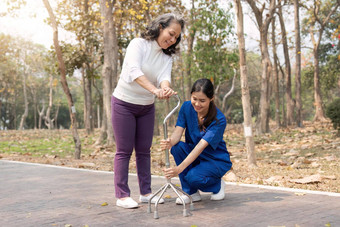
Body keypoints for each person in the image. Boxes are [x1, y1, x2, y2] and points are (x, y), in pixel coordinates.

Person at [111, 13, 185, 209]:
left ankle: (146, 193)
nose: (172, 39)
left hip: (146, 107)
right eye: (171, 33)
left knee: (144, 150)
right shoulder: (138, 44)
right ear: (160, 27)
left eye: (176, 37)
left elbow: (164, 76)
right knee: (124, 150)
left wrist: (166, 87)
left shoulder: (166, 56)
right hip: (124, 103)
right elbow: (133, 70)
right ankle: (122, 195)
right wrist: (155, 90)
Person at [161, 78, 232, 204]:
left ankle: (217, 184)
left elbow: (200, 147)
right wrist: (170, 142)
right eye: (194, 99)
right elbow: (178, 131)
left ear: (211, 99)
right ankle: (191, 192)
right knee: (176, 147)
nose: (197, 104)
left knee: (193, 177)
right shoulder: (186, 107)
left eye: (202, 100)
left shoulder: (218, 119)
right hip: (194, 153)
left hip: (214, 159)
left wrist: (178, 169)